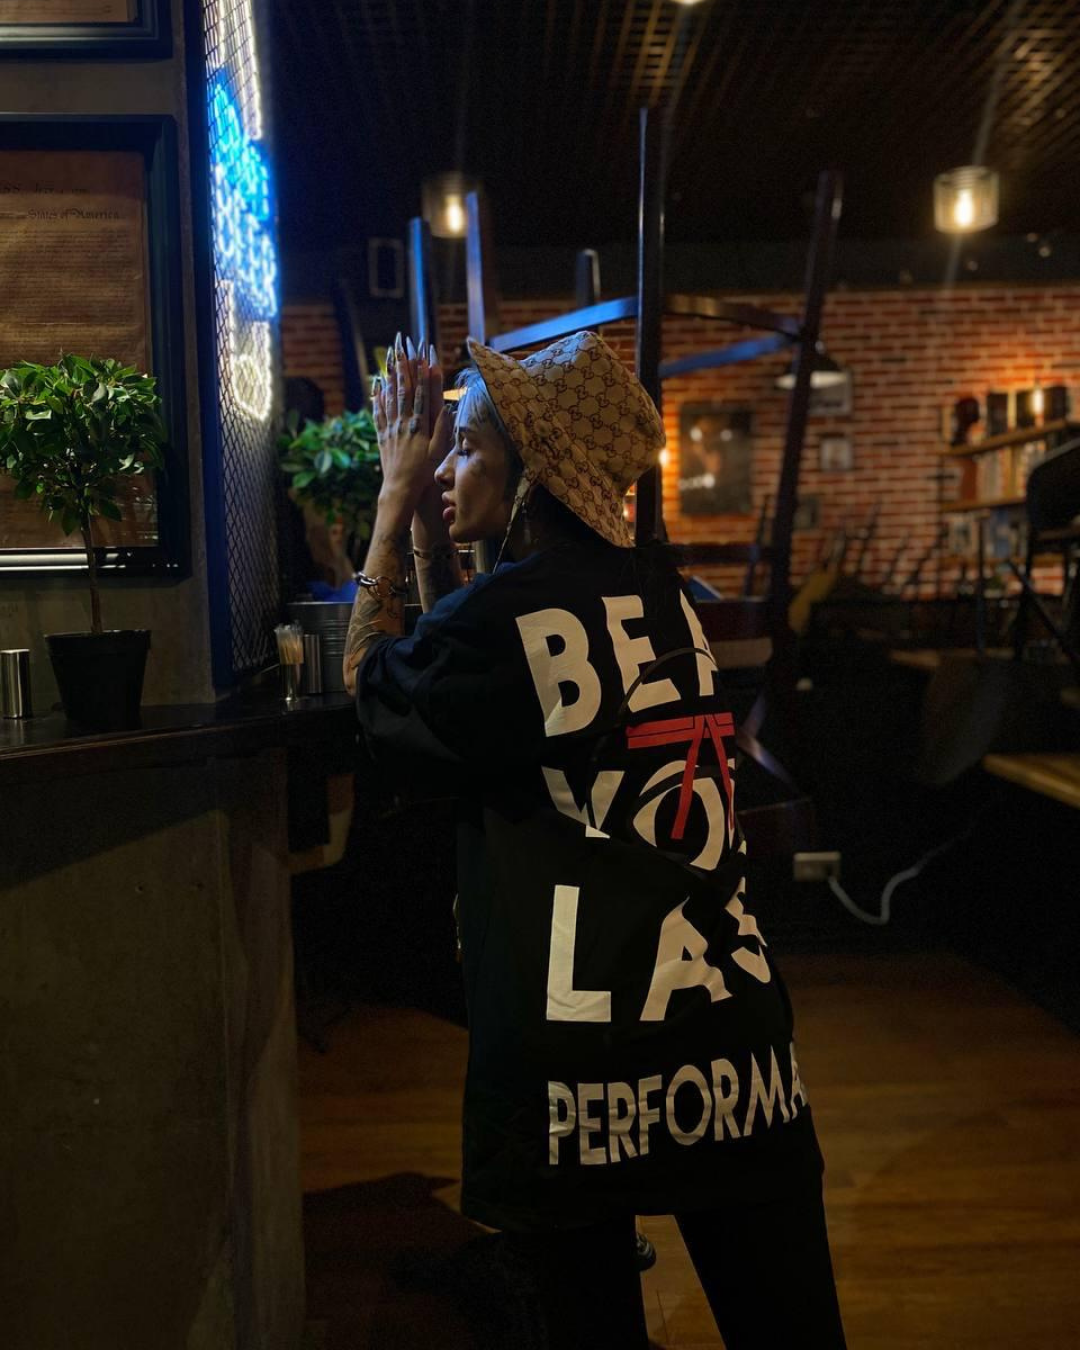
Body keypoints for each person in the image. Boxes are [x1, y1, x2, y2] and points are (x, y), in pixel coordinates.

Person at [343, 330, 847, 1349]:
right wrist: (438, 526)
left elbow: (377, 686)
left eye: (467, 449)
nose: (444, 468)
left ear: (531, 479)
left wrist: (392, 504)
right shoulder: (668, 596)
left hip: (575, 1066)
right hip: (731, 1044)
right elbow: (485, 674)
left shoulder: (506, 619)